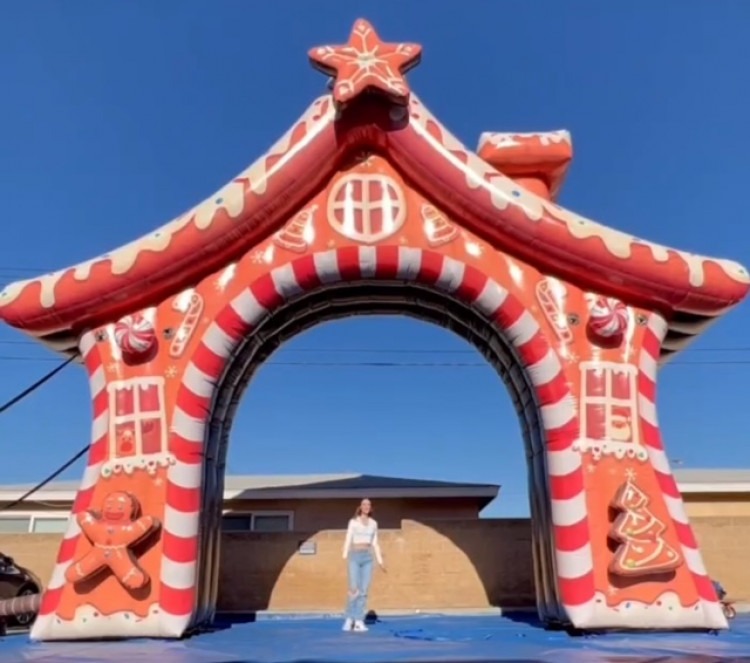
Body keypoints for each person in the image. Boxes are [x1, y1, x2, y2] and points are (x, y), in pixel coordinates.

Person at [341, 498, 385, 632]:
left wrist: (380, 561)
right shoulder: (353, 522)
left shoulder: (373, 524)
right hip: (354, 555)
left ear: (371, 508)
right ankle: (349, 619)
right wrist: (344, 555)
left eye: (369, 504)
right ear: (360, 507)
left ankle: (359, 620)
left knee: (364, 590)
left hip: (367, 557)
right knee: (354, 588)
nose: (366, 506)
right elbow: (348, 537)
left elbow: (375, 543)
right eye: (364, 504)